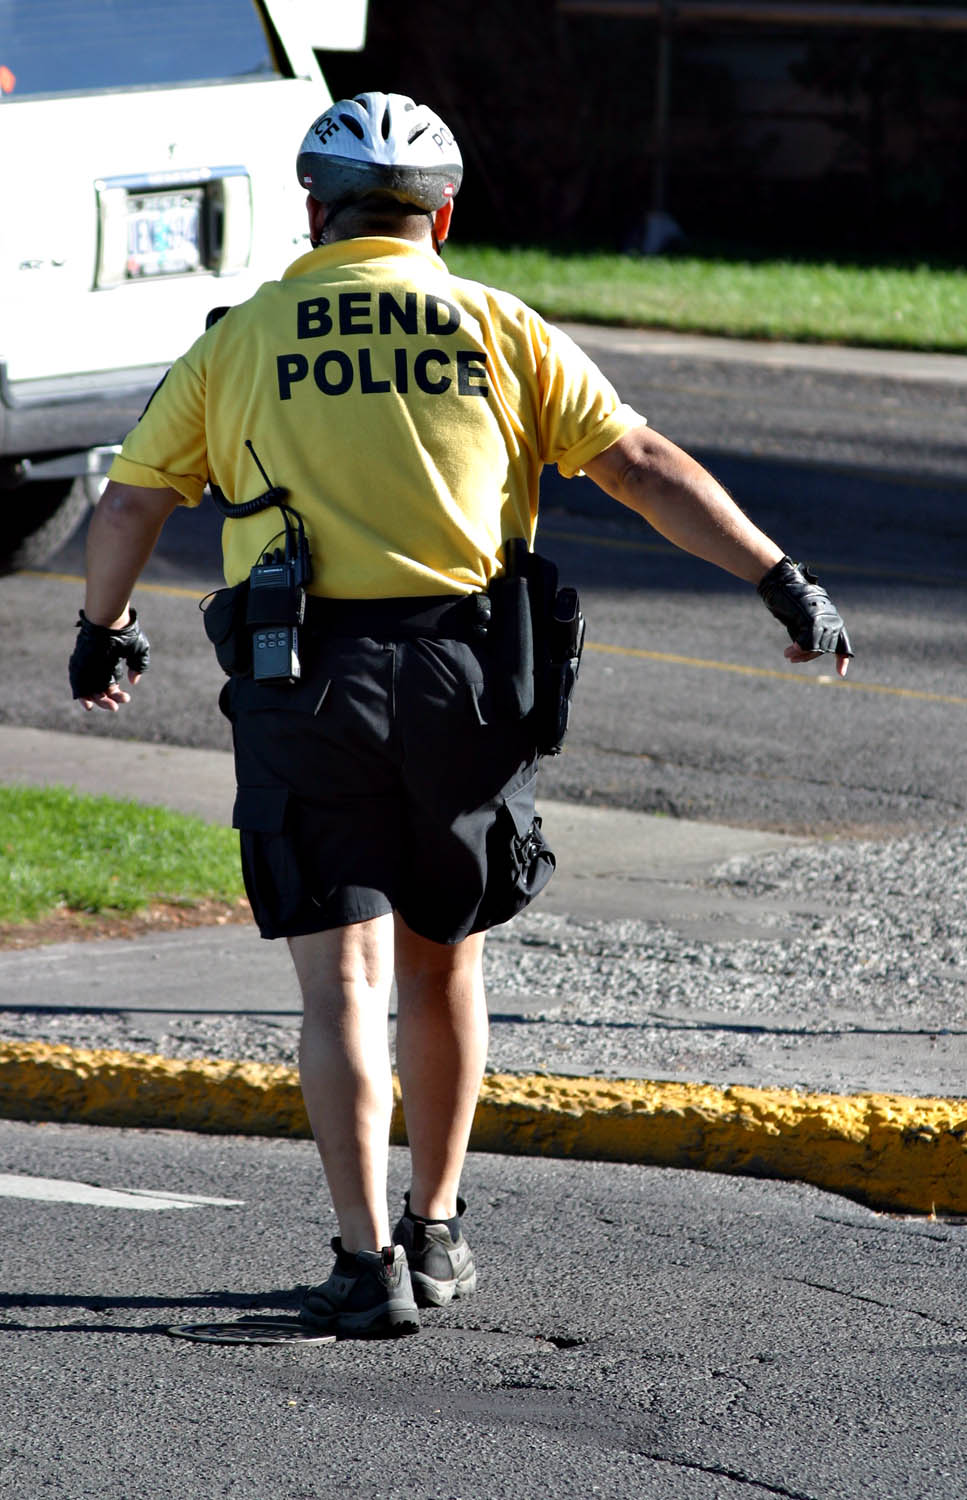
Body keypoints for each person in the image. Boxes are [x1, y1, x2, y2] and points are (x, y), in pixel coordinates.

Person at [68, 91, 852, 1340]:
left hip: (299, 677)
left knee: (342, 980)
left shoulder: (245, 335)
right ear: (444, 214)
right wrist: (781, 580)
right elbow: (640, 467)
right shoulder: (497, 324)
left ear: (311, 210)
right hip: (468, 683)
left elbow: (128, 503)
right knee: (446, 957)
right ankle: (437, 1231)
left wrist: (103, 629)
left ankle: (364, 1257)